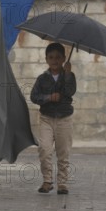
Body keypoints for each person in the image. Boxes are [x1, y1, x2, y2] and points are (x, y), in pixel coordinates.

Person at [30, 42, 77, 194]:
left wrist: (68, 75)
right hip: (46, 118)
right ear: (46, 59)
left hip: (64, 119)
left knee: (63, 152)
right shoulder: (42, 78)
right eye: (51, 57)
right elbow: (34, 97)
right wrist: (49, 97)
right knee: (44, 149)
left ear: (64, 58)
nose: (54, 60)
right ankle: (47, 180)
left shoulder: (69, 76)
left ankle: (62, 183)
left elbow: (70, 92)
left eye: (58, 57)